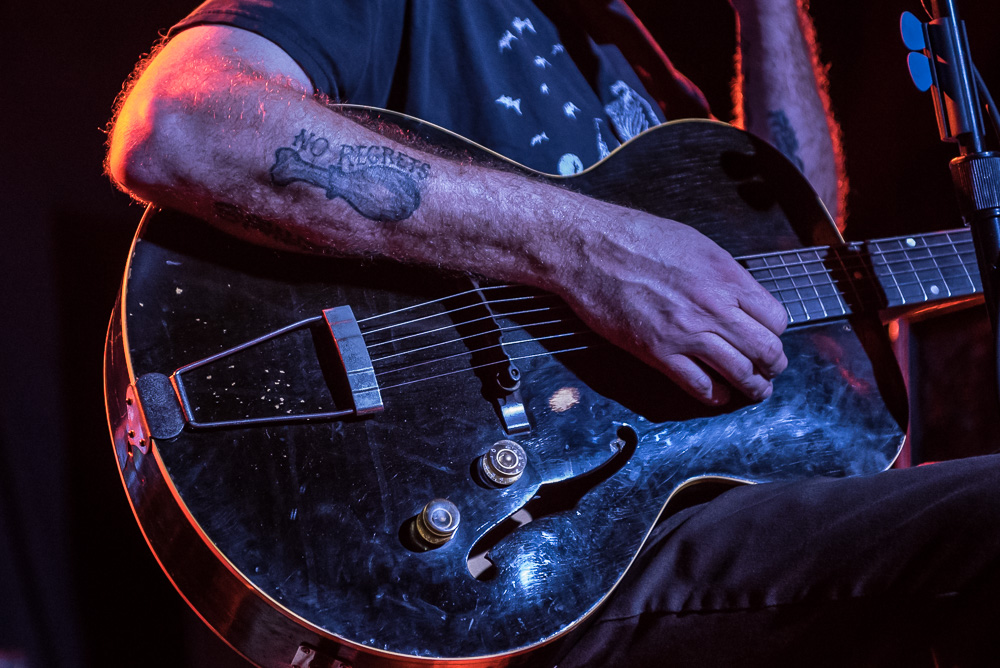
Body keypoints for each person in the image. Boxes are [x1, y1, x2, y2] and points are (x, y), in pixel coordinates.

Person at [106, 1, 1000, 666]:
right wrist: (586, 248)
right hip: (518, 550)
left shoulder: (640, 68)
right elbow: (181, 127)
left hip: (674, 522)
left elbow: (795, 257)